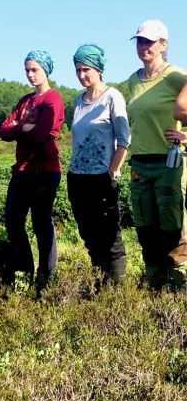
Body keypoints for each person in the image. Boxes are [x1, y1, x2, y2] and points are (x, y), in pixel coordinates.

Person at [126, 20, 187, 287]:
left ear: (164, 44)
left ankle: (176, 284)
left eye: (149, 41)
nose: (144, 46)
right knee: (145, 226)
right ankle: (154, 280)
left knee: (171, 225)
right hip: (140, 162)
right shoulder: (133, 80)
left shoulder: (176, 76)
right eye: (140, 41)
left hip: (168, 162)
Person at [0, 51, 65, 288]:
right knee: (13, 221)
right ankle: (23, 270)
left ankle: (46, 277)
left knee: (41, 223)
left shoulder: (52, 99)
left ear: (46, 70)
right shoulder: (25, 101)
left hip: (45, 170)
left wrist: (23, 128)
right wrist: (22, 128)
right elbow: (4, 130)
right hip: (22, 171)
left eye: (34, 69)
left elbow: (40, 135)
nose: (30, 74)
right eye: (27, 69)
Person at [67, 44, 130, 284]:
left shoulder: (112, 96)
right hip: (78, 177)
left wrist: (113, 171)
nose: (82, 75)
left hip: (102, 177)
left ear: (98, 69)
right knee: (89, 235)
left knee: (109, 237)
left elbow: (124, 139)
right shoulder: (77, 101)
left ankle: (116, 293)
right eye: (77, 70)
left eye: (86, 69)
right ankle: (99, 286)